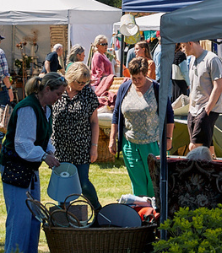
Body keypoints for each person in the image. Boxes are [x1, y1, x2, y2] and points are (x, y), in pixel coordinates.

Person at [0, 71, 67, 253]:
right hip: (15, 164)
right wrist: (44, 156)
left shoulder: (46, 108)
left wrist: (50, 151)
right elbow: (23, 144)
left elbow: (45, 137)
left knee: (34, 212)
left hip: (29, 165)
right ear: (47, 89)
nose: (59, 98)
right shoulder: (28, 108)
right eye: (58, 94)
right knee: (19, 214)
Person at [109, 57, 174, 198]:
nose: (136, 81)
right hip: (129, 143)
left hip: (152, 143)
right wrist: (112, 139)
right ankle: (141, 213)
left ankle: (156, 212)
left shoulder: (157, 89)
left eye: (139, 78)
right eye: (133, 78)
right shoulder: (124, 88)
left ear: (146, 74)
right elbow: (116, 114)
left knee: (153, 182)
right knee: (137, 183)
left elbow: (169, 115)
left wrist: (168, 138)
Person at [50, 62, 102, 211]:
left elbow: (94, 122)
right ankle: (63, 214)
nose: (82, 85)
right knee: (63, 182)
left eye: (85, 82)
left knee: (83, 183)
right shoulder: (58, 91)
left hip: (82, 145)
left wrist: (94, 147)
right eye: (79, 82)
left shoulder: (88, 93)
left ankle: (98, 209)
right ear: (70, 77)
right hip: (60, 147)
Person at [184, 40, 222, 149]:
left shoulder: (212, 59)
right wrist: (190, 109)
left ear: (190, 43)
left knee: (194, 146)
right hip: (193, 110)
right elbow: (193, 87)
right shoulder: (191, 60)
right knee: (207, 146)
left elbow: (218, 87)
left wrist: (206, 110)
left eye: (183, 45)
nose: (182, 49)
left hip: (207, 109)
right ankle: (212, 165)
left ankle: (197, 166)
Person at [89, 35, 115, 105]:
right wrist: (103, 85)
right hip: (100, 84)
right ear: (97, 45)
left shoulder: (103, 54)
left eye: (106, 44)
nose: (105, 46)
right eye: (103, 44)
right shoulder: (98, 55)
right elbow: (99, 72)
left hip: (106, 81)